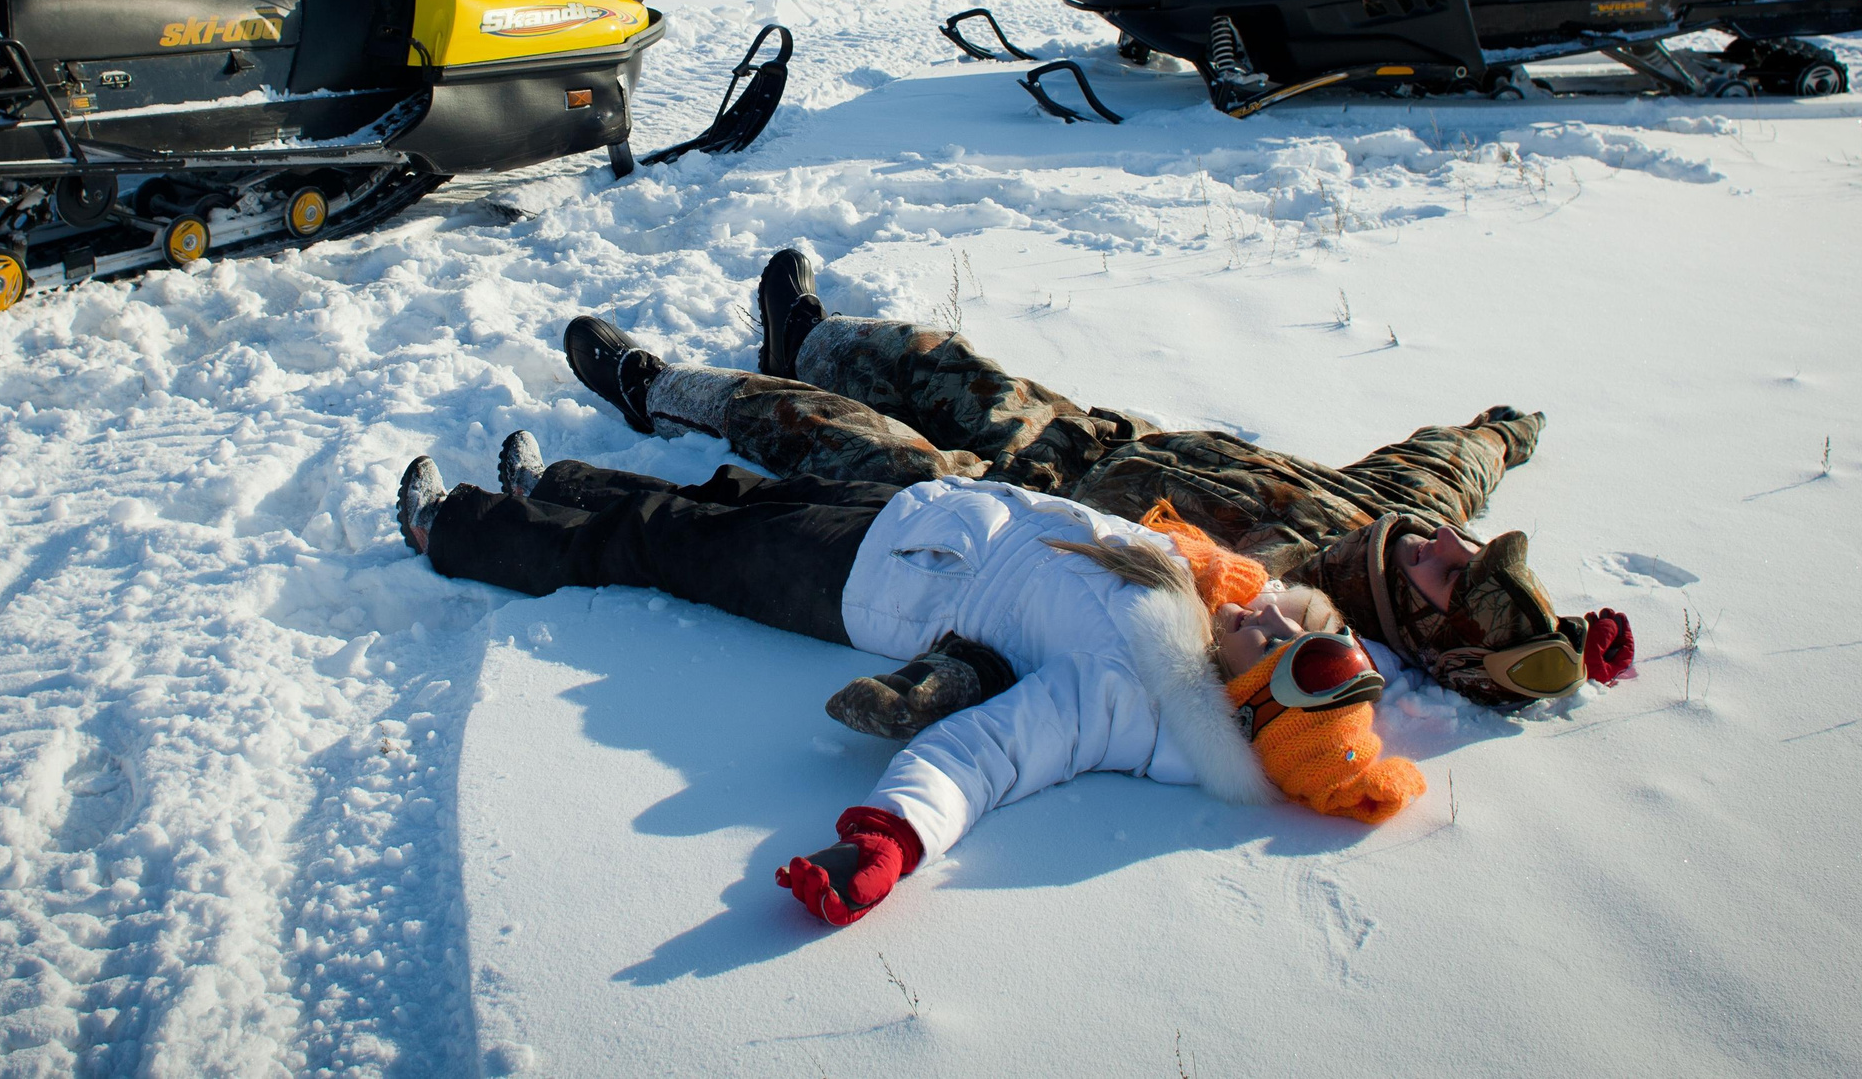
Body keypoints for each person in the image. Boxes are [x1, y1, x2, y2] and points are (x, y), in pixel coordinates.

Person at [397, 434, 1427, 926]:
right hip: (922, 520)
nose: (1257, 608)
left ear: (1255, 704)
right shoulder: (1206, 607)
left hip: (866, 586)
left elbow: (983, 755)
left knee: (661, 543)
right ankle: (556, 484)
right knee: (729, 494)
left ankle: (459, 530)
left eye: (1271, 635)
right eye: (1282, 609)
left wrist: (887, 843)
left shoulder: (1134, 702)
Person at [558, 249, 1636, 710]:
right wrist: (1506, 430)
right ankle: (809, 337)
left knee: (830, 436)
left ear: (1414, 619)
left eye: (1450, 575)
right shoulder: (1392, 518)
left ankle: (656, 390)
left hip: (1004, 506)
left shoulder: (1271, 611)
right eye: (1464, 544)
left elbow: (1098, 665)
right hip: (1086, 435)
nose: (1443, 544)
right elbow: (1445, 467)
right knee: (936, 359)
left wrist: (954, 683)